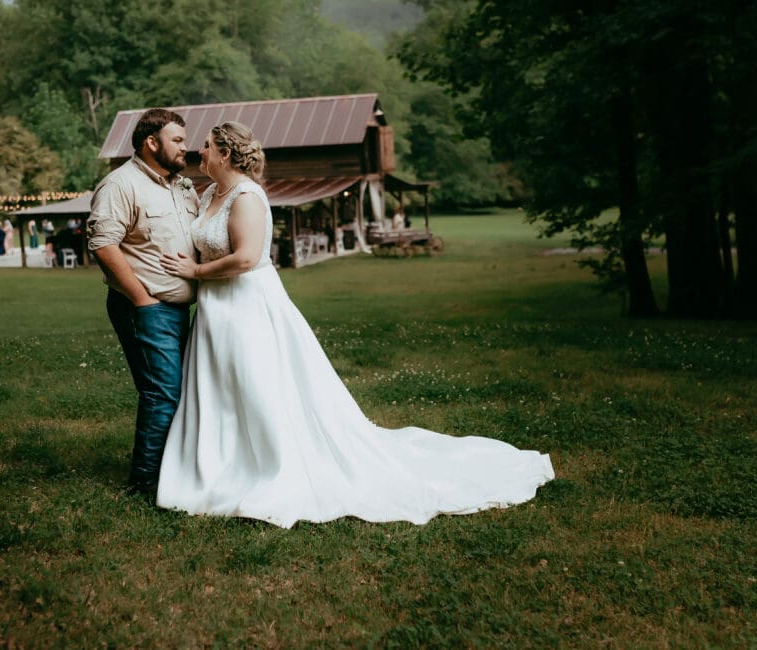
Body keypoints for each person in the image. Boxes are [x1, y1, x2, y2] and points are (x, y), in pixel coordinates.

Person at [157, 122, 554, 528]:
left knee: (259, 385)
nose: (197, 153)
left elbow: (245, 258)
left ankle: (275, 467)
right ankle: (223, 465)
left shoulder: (246, 196)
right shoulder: (209, 193)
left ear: (225, 153)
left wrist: (196, 270)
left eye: (205, 147)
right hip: (214, 311)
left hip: (247, 306)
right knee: (223, 388)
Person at [87, 108, 200, 496]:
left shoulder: (182, 187)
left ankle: (174, 472)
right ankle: (145, 484)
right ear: (152, 143)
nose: (187, 147)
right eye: (178, 141)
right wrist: (142, 300)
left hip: (180, 309)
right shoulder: (120, 185)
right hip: (146, 307)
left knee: (179, 390)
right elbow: (102, 244)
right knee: (163, 391)